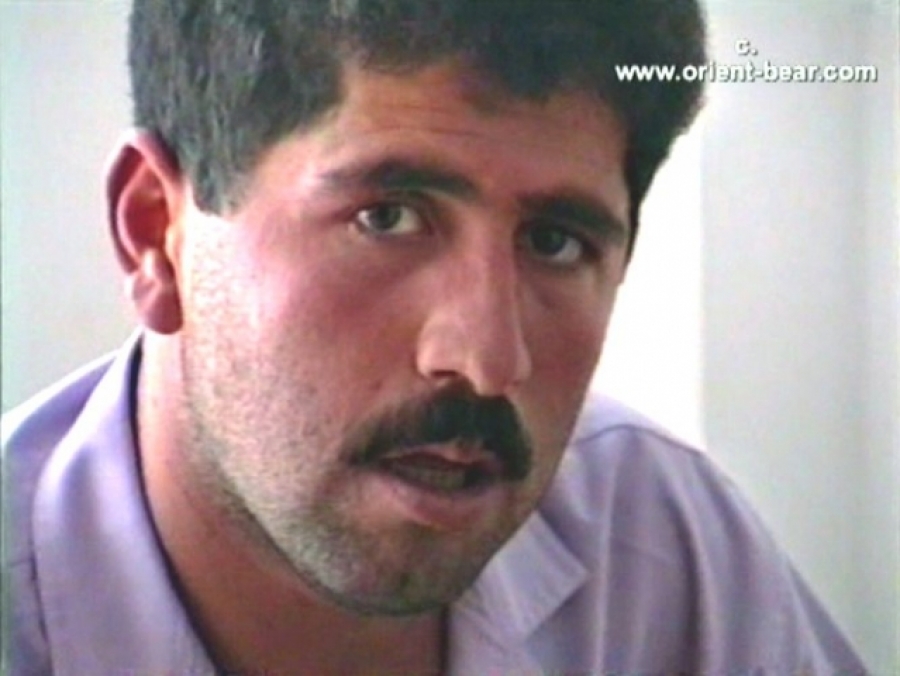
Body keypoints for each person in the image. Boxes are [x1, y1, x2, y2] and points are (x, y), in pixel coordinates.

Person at [2, 1, 867, 674]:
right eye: (386, 218)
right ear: (156, 234)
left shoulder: (662, 546)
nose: (488, 361)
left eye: (555, 242)